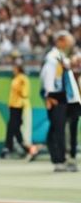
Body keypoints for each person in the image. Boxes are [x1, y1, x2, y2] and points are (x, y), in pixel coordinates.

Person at [40, 33, 77, 170]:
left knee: (56, 128)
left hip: (61, 95)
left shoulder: (60, 57)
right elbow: (47, 76)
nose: (69, 45)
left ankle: (59, 158)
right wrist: (49, 96)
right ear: (60, 41)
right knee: (58, 129)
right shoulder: (52, 58)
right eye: (67, 42)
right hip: (56, 95)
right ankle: (59, 159)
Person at [4, 62, 35, 159]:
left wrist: (19, 90)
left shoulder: (22, 78)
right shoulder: (16, 78)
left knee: (15, 127)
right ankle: (22, 148)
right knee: (14, 128)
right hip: (13, 105)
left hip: (20, 106)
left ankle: (9, 146)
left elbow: (24, 93)